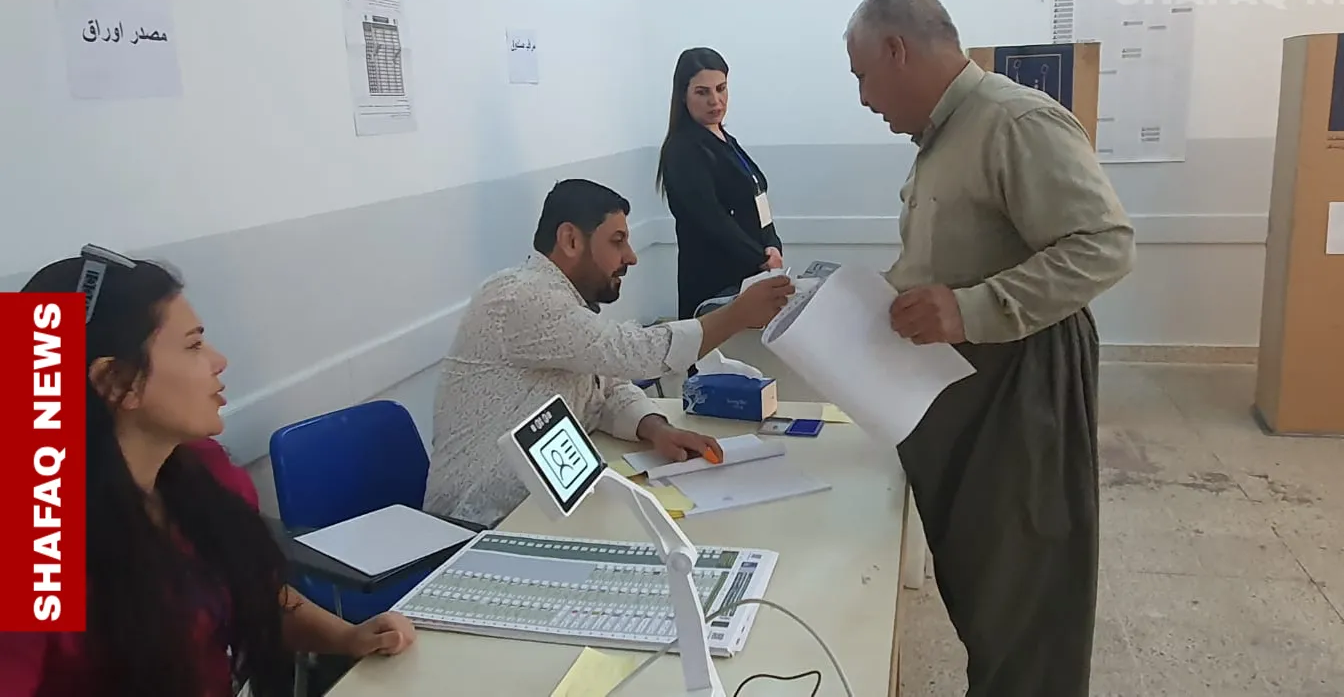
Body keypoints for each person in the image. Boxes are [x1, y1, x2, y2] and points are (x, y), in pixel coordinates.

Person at [843, 0, 1135, 696]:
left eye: (861, 76)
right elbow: (951, 263)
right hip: (964, 388)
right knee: (984, 587)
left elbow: (1103, 244)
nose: (862, 98)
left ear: (895, 50)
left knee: (1025, 602)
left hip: (1020, 387)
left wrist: (972, 309)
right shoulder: (944, 137)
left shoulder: (1013, 120)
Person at [0, 246, 417, 697]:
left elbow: (254, 594)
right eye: (194, 345)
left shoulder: (204, 470)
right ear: (115, 381)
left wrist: (346, 637)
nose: (219, 361)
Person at [424, 179, 794, 527]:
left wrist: (656, 428)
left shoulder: (564, 303)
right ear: (570, 240)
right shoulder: (519, 297)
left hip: (543, 508)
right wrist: (737, 314)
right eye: (617, 241)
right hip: (478, 525)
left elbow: (606, 388)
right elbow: (633, 353)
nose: (631, 257)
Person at [656, 47, 785, 319]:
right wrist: (761, 258)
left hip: (750, 272)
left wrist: (773, 245)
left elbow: (757, 200)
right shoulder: (683, 149)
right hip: (713, 280)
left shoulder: (726, 141)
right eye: (702, 92)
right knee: (714, 358)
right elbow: (712, 219)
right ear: (683, 95)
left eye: (721, 89)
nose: (715, 100)